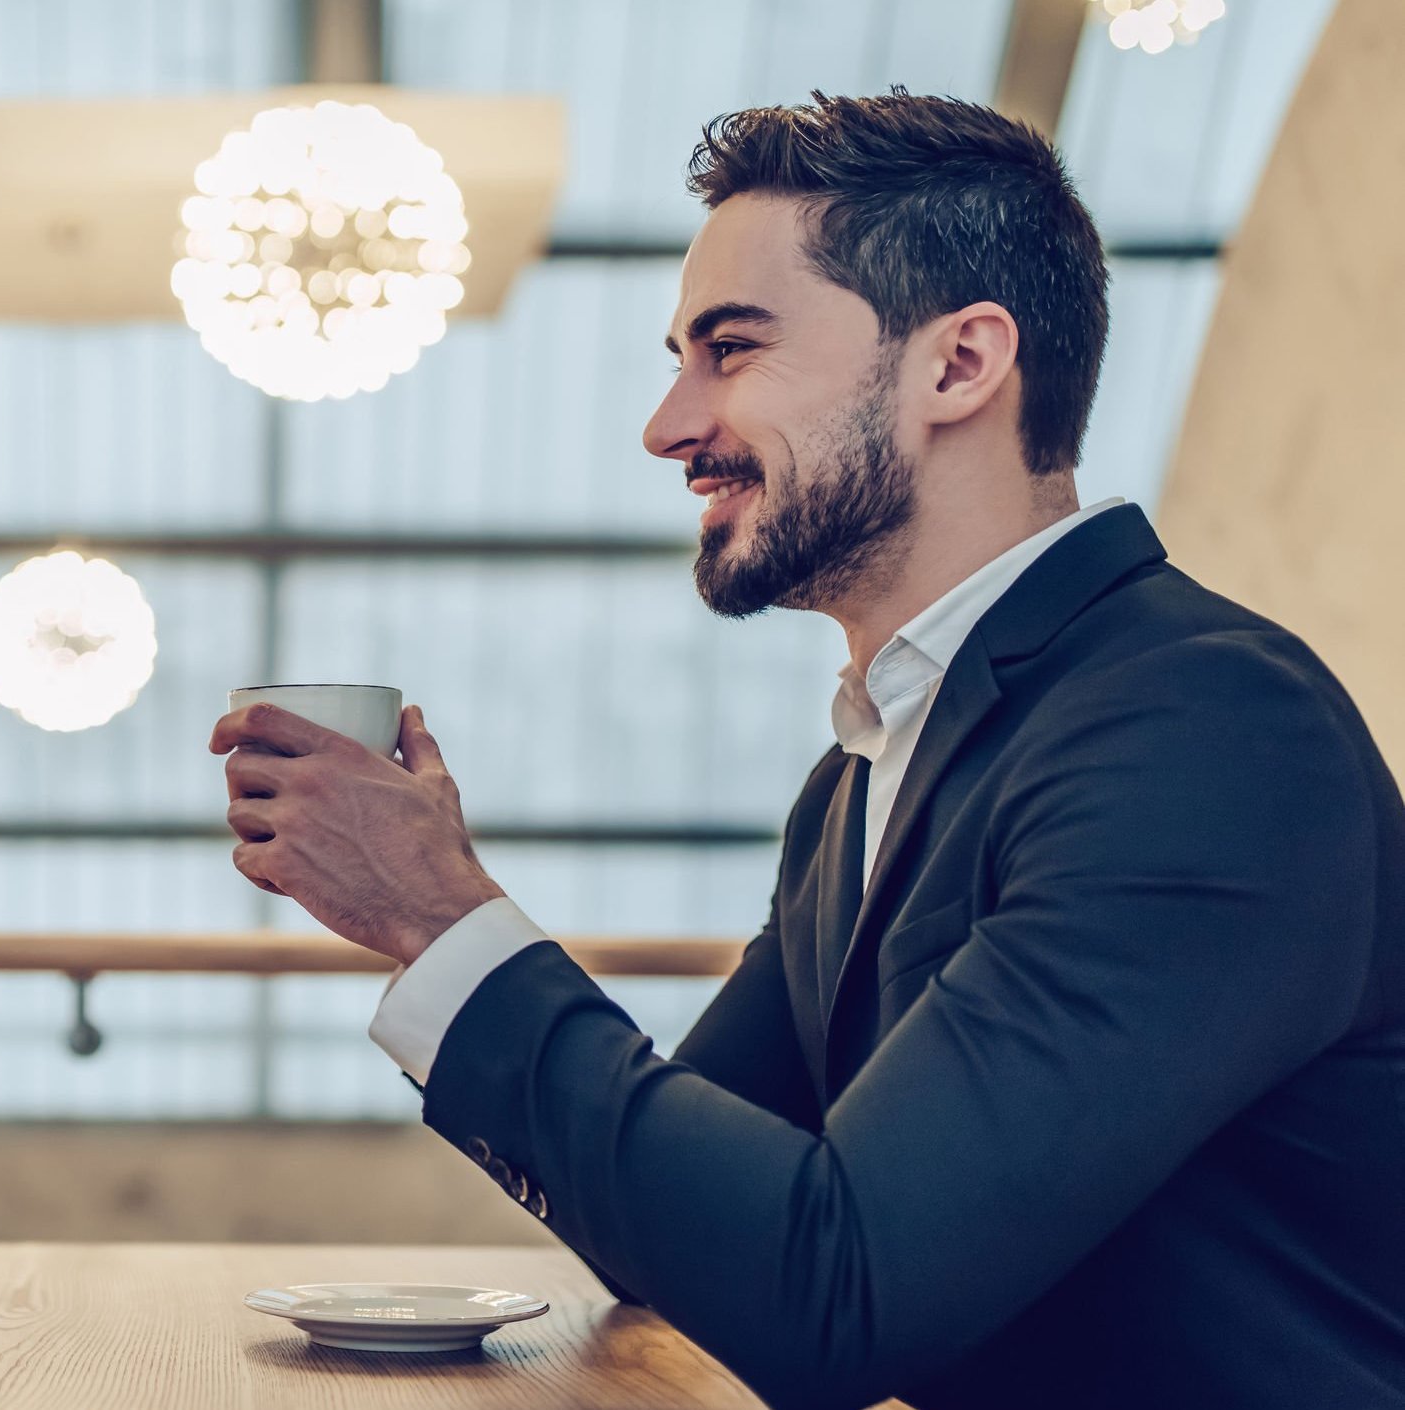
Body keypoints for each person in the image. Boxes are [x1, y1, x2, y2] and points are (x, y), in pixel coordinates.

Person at [212, 91, 1405, 1408]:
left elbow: (834, 1296)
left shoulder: (1203, 734)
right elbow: (697, 1243)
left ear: (957, 366)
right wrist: (426, 916)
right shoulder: (858, 775)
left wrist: (443, 917)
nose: (665, 425)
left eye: (726, 349)